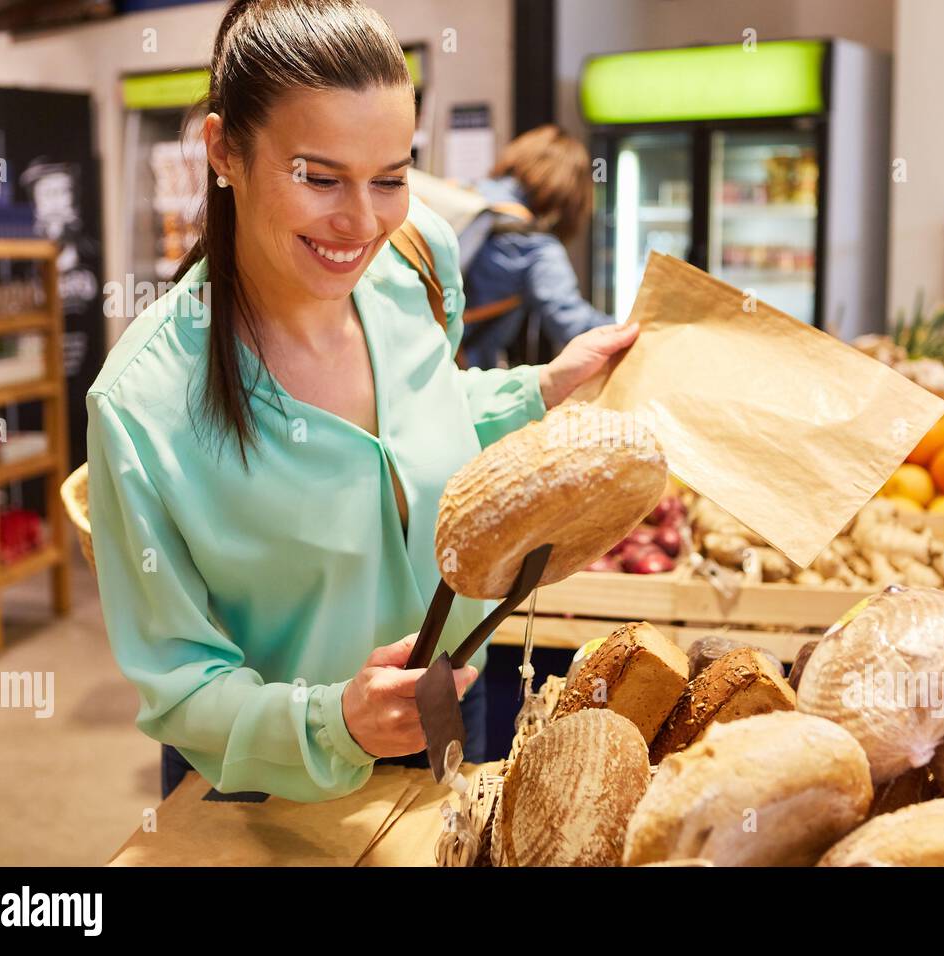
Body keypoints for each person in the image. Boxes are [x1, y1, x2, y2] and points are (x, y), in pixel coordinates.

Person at [85, 0, 639, 802]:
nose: (362, 220)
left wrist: (542, 386)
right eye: (318, 176)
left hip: (454, 705)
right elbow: (179, 684)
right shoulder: (143, 408)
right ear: (222, 151)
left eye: (391, 177)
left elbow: (425, 415)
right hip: (264, 789)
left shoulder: (416, 264)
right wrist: (332, 722)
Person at [460, 125, 614, 369]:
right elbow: (573, 324)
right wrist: (638, 330)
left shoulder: (466, 193)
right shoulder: (535, 245)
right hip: (463, 373)